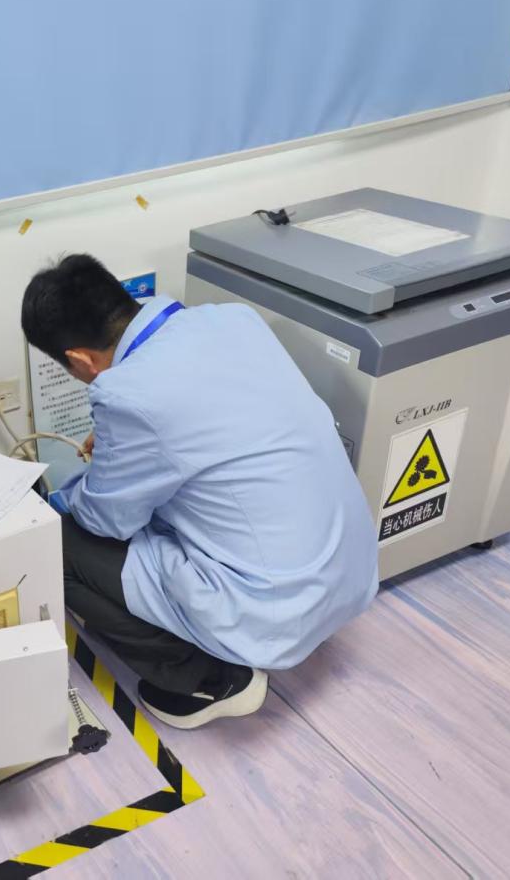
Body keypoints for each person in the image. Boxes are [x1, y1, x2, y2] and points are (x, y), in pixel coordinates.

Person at [21, 254, 377, 730]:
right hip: (348, 569)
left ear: (79, 360)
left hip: (275, 609)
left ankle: (210, 679)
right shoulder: (234, 320)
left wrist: (54, 502)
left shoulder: (126, 394)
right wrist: (122, 447)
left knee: (54, 542)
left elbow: (107, 521)